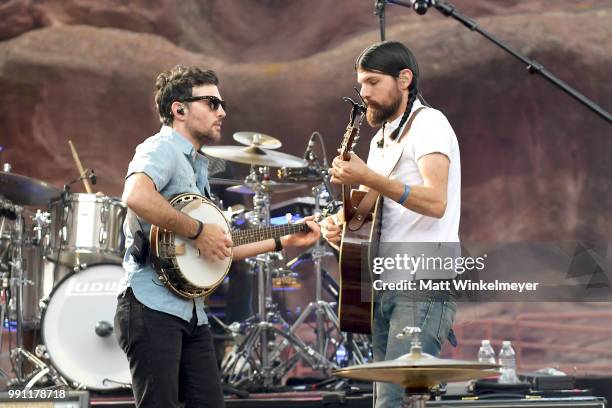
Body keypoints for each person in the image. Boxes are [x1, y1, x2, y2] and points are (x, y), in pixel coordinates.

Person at [115, 65, 320, 408]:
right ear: (179, 109)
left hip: (192, 313)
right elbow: (135, 195)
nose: (222, 111)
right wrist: (197, 230)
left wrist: (285, 240)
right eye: (212, 103)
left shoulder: (199, 166)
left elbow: (218, 248)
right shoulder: (162, 148)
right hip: (151, 307)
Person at [322, 41, 460, 408]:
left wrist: (368, 175)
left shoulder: (430, 123)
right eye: (360, 84)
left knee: (399, 402)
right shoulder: (383, 136)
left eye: (372, 82)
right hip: (386, 285)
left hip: (422, 282)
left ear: (404, 79)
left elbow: (436, 201)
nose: (363, 93)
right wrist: (340, 224)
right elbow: (375, 209)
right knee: (388, 401)